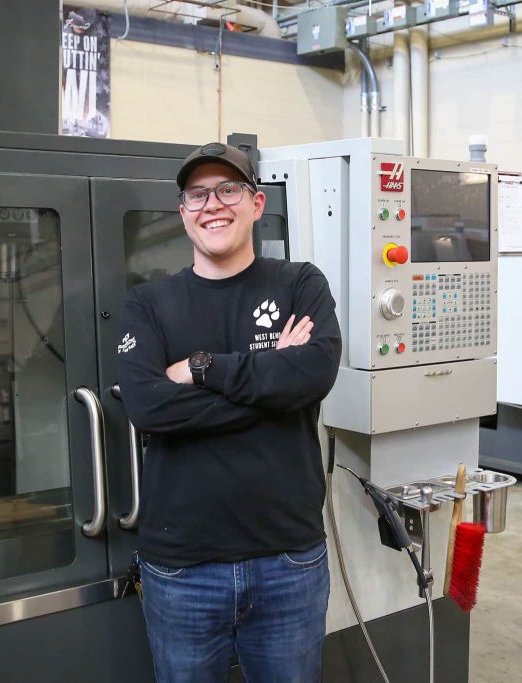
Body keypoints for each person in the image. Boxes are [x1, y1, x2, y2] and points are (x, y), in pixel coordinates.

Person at [116, 142, 342, 683]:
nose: (212, 204)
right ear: (183, 212)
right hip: (182, 568)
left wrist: (200, 368)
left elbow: (313, 374)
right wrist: (273, 387)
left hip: (288, 559)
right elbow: (149, 408)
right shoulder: (148, 304)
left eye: (228, 189)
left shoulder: (300, 283)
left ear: (257, 203)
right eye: (197, 195)